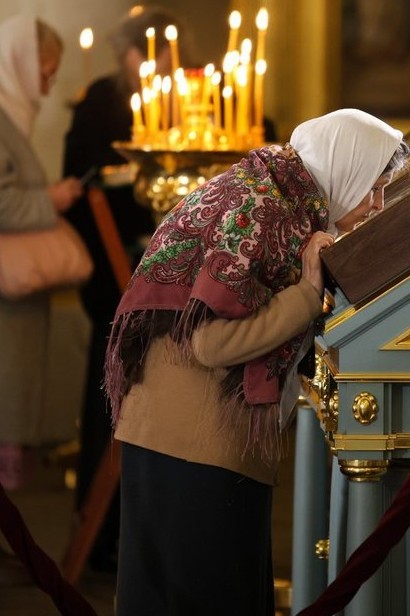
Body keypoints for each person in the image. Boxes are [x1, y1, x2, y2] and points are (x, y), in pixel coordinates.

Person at [103, 108, 409, 613]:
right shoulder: (265, 209)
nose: (377, 205)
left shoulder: (279, 193)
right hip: (195, 448)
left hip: (176, 436)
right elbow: (211, 343)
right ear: (345, 167)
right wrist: (308, 292)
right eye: (373, 189)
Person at [61, 5, 188, 573]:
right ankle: (104, 537)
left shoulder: (182, 96)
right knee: (110, 391)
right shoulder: (101, 100)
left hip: (155, 264)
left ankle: (149, 534)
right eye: (144, 56)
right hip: (114, 271)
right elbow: (83, 179)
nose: (151, 66)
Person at [0, 15, 83, 490]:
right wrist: (49, 200)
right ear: (19, 61)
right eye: (46, 73)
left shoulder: (13, 112)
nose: (49, 88)